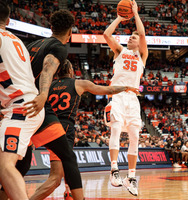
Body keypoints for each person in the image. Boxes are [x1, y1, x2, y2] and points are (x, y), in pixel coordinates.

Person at [34, 60, 139, 200]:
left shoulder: (48, 86)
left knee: (67, 161)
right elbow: (109, 90)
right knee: (55, 177)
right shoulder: (78, 83)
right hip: (62, 129)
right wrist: (126, 87)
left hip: (46, 125)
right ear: (71, 71)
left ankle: (69, 192)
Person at [17, 10, 84, 200]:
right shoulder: (59, 47)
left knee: (21, 164)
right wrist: (43, 95)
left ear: (51, 27)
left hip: (18, 104)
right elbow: (47, 69)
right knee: (68, 156)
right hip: (36, 106)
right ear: (70, 31)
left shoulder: (32, 45)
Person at [103, 0, 148, 196]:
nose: (130, 39)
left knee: (135, 137)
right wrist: (120, 18)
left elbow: (143, 34)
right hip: (118, 95)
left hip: (133, 99)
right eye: (129, 37)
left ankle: (131, 177)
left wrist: (136, 14)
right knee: (115, 130)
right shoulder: (120, 51)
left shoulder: (142, 55)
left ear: (139, 43)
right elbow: (106, 34)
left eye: (133, 37)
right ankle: (114, 171)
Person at [0, 2, 44, 199]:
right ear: (8, 20)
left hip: (21, 107)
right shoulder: (18, 41)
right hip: (23, 104)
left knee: (5, 166)